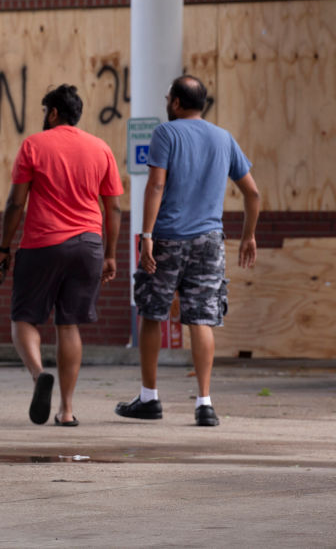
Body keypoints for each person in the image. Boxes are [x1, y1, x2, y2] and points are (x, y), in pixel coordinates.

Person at [116, 75, 259, 427]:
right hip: (210, 241)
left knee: (152, 311)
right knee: (201, 318)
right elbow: (253, 194)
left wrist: (146, 235)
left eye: (169, 98)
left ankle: (149, 398)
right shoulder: (224, 138)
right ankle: (205, 404)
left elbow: (156, 185)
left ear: (177, 103)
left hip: (167, 238)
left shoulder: (167, 133)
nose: (167, 103)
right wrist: (248, 236)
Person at [0, 84, 122, 426]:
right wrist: (110, 254)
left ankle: (39, 376)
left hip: (43, 243)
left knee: (24, 319)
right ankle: (66, 411)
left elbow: (15, 204)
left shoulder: (34, 145)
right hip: (88, 246)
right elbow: (114, 208)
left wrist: (5, 247)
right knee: (69, 324)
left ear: (53, 113)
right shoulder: (101, 148)